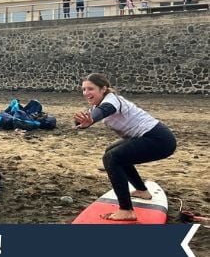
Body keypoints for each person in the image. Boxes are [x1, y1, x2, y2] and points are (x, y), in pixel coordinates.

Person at [73, 73, 176, 221]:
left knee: (112, 158)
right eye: (83, 89)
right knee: (112, 152)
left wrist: (91, 120)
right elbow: (91, 116)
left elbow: (104, 110)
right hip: (148, 137)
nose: (86, 93)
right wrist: (81, 122)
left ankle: (126, 210)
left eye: (90, 89)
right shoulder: (98, 104)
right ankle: (142, 191)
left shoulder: (111, 100)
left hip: (159, 139)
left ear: (103, 89)